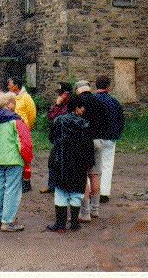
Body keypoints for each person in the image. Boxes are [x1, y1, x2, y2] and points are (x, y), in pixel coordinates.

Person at [47, 96, 94, 232]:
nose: (84, 110)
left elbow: (51, 138)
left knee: (61, 191)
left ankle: (60, 224)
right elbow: (88, 147)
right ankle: (74, 223)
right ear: (77, 108)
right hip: (79, 162)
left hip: (60, 159)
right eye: (82, 107)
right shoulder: (85, 125)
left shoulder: (59, 120)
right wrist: (89, 162)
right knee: (76, 191)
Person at [0, 92, 33, 232]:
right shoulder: (16, 121)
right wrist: (27, 160)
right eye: (14, 102)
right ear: (9, 104)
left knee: (0, 187)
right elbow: (25, 143)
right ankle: (7, 221)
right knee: (12, 189)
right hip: (13, 159)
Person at [74, 80, 109, 222]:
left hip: (84, 142)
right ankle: (95, 209)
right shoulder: (99, 102)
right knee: (95, 175)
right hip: (99, 141)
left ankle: (85, 212)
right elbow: (106, 123)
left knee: (83, 176)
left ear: (78, 90)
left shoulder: (78, 102)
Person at [95, 75, 125, 203]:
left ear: (96, 85)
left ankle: (92, 191)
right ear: (108, 86)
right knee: (107, 166)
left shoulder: (91, 100)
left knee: (93, 166)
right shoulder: (114, 102)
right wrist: (116, 134)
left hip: (95, 138)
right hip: (110, 138)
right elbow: (121, 120)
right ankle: (104, 193)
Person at [40, 82, 73, 194]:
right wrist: (57, 105)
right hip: (57, 138)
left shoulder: (70, 106)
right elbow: (50, 117)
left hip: (67, 139)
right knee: (52, 162)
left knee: (63, 163)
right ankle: (52, 186)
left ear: (67, 94)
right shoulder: (60, 104)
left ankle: (61, 187)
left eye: (61, 93)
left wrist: (58, 105)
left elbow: (56, 118)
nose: (59, 96)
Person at [7, 76, 36, 192]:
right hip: (12, 132)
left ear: (16, 86)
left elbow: (32, 115)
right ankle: (17, 181)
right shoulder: (9, 97)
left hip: (23, 132)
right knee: (15, 157)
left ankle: (26, 182)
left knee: (25, 158)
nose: (8, 86)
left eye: (10, 84)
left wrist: (26, 127)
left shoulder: (26, 98)